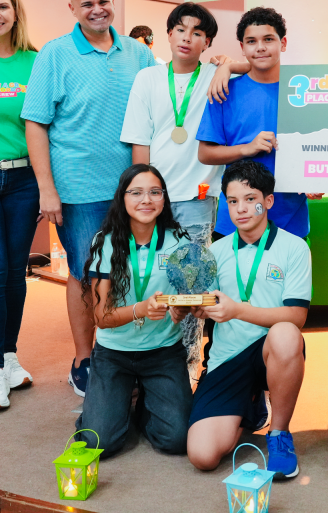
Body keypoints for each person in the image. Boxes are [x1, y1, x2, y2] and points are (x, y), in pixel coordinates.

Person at [22, 0, 156, 396]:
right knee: (85, 273)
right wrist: (47, 188)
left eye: (103, 0)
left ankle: (129, 355)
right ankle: (84, 357)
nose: (97, 9)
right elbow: (35, 123)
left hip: (133, 188)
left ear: (112, 0)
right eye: (87, 4)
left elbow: (166, 100)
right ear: (72, 10)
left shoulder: (138, 53)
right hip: (78, 190)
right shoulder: (55, 55)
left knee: (131, 270)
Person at [121, 2, 229, 374]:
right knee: (149, 274)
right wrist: (142, 195)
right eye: (180, 29)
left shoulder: (215, 75)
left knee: (192, 283)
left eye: (198, 32)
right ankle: (148, 359)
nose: (187, 37)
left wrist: (227, 64)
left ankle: (188, 363)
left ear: (207, 41)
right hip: (155, 199)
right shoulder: (148, 79)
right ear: (168, 34)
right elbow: (139, 142)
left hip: (198, 199)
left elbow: (256, 64)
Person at [186, 161, 311, 479]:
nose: (241, 209)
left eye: (250, 198)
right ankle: (251, 406)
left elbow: (297, 316)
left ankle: (279, 435)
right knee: (202, 456)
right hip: (228, 357)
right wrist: (199, 308)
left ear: (268, 201)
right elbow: (211, 303)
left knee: (286, 334)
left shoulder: (294, 247)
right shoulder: (215, 250)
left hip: (272, 350)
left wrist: (237, 310)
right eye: (232, 201)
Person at [76, 165, 193, 457]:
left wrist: (181, 310)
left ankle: (143, 405)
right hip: (114, 354)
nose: (146, 200)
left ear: (164, 199)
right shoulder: (105, 243)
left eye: (155, 192)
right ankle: (109, 407)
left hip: (163, 351)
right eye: (136, 192)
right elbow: (101, 318)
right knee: (98, 444)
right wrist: (141, 309)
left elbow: (185, 301)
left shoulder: (180, 242)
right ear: (122, 198)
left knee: (177, 440)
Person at [197, 7, 312, 241]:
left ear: (284, 43)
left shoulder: (306, 92)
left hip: (291, 219)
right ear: (242, 47)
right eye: (251, 41)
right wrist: (246, 148)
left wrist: (317, 180)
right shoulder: (224, 91)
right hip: (235, 222)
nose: (260, 47)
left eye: (268, 39)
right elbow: (205, 153)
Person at [0, 0, 38, 408]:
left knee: (15, 271)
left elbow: (45, 124)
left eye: (2, 5)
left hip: (24, 179)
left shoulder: (35, 62)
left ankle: (9, 356)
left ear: (14, 11)